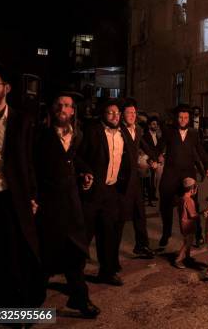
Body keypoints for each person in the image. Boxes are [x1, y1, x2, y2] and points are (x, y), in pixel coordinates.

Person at [0, 62, 45, 308]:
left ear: (6, 88)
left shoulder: (21, 121)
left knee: (14, 255)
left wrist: (32, 196)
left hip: (9, 198)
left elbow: (29, 162)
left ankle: (17, 309)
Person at [34, 91, 99, 317]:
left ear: (73, 110)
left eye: (67, 105)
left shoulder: (77, 134)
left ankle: (79, 298)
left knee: (76, 252)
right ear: (53, 108)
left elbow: (72, 159)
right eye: (59, 104)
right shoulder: (40, 134)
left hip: (71, 202)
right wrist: (32, 198)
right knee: (43, 256)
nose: (63, 109)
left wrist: (85, 172)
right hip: (47, 204)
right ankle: (29, 308)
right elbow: (31, 166)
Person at [77, 99, 132, 286]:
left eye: (118, 113)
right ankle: (75, 275)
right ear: (103, 114)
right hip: (93, 192)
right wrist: (85, 173)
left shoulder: (123, 133)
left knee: (109, 235)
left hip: (111, 192)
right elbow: (79, 156)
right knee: (84, 235)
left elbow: (127, 159)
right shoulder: (93, 132)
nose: (115, 116)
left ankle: (106, 272)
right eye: (111, 113)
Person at [158, 105, 208, 248]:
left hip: (188, 174)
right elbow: (159, 148)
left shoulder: (194, 133)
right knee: (166, 205)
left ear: (189, 119)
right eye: (180, 117)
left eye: (186, 118)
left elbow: (200, 150)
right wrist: (155, 157)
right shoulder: (169, 132)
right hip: (170, 173)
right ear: (177, 118)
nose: (183, 120)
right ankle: (166, 234)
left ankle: (198, 235)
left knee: (193, 205)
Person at [117, 99, 157, 260]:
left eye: (134, 113)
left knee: (140, 214)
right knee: (119, 217)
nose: (132, 115)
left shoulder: (138, 130)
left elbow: (144, 146)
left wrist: (153, 158)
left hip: (135, 178)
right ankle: (111, 250)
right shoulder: (118, 130)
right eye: (129, 113)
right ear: (122, 115)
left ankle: (141, 246)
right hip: (122, 179)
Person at [174, 178, 199, 269]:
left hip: (183, 224)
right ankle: (178, 260)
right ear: (192, 189)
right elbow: (192, 215)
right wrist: (202, 214)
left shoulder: (181, 199)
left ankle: (187, 257)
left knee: (188, 241)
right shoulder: (189, 200)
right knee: (187, 243)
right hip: (189, 225)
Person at [142, 116, 164, 206]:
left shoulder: (158, 136)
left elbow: (159, 149)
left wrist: (161, 155)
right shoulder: (145, 136)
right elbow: (144, 149)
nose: (156, 126)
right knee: (151, 179)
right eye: (153, 124)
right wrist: (151, 160)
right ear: (149, 125)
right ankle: (149, 195)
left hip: (157, 160)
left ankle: (153, 194)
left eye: (156, 124)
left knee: (157, 178)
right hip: (148, 160)